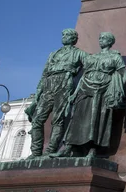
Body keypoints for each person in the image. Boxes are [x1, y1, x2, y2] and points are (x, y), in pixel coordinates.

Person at [53, 32, 126, 158]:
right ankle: (69, 147)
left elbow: (123, 75)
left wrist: (116, 90)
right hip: (85, 87)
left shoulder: (115, 57)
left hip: (102, 90)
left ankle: (93, 149)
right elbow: (83, 76)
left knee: (96, 119)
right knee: (77, 117)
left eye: (104, 38)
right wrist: (75, 93)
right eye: (100, 38)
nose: (101, 40)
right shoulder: (92, 57)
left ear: (110, 42)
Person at [25, 29, 87, 157]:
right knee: (37, 119)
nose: (64, 37)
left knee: (57, 120)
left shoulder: (79, 53)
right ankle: (36, 151)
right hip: (48, 84)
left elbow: (91, 66)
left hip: (64, 83)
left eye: (67, 35)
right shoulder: (53, 54)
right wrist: (38, 92)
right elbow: (44, 74)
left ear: (74, 39)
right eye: (63, 35)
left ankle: (50, 150)